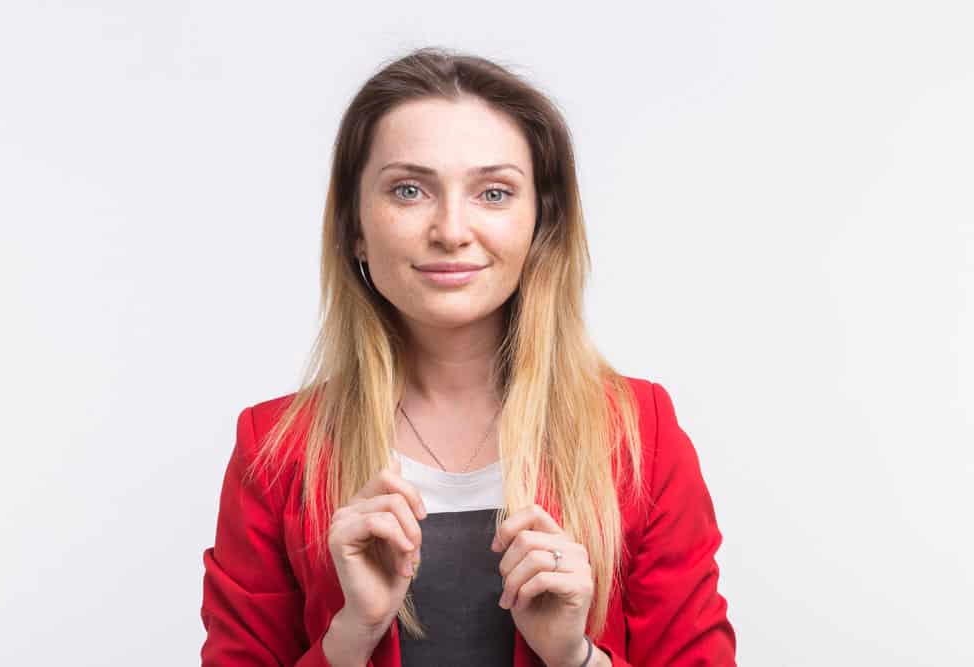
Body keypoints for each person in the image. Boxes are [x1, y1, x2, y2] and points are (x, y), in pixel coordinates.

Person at [200, 46, 736, 667]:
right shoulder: (275, 450)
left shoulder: (640, 433)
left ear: (542, 223)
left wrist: (575, 656)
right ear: (355, 226)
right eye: (409, 190)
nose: (452, 230)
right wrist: (352, 635)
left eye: (493, 193)